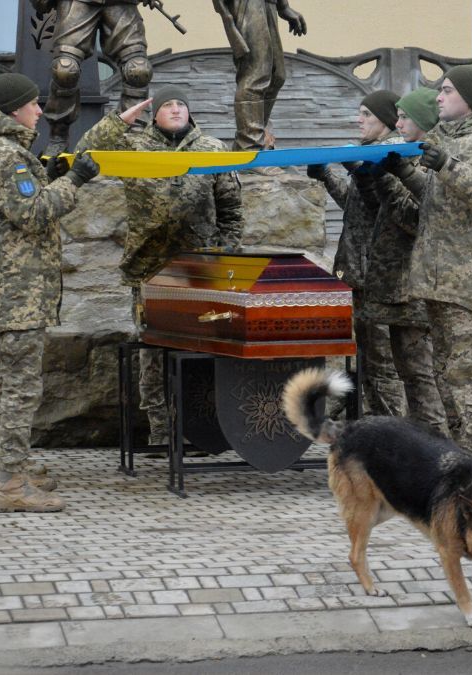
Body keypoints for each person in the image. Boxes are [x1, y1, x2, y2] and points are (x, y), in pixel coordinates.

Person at [0, 73, 99, 512]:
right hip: (16, 292)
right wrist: (74, 180)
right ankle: (11, 483)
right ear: (11, 109)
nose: (39, 111)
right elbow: (34, 212)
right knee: (17, 389)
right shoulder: (6, 155)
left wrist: (48, 175)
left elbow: (19, 203)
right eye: (33, 103)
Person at [77, 85, 243, 448]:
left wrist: (224, 254)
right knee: (152, 348)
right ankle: (161, 433)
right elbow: (84, 151)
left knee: (203, 348)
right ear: (155, 114)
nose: (175, 110)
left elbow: (231, 209)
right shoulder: (134, 146)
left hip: (200, 269)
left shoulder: (212, 149)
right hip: (150, 267)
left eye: (181, 104)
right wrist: (120, 121)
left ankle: (203, 431)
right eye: (168, 105)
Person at [391, 65, 472, 457]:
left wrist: (446, 164)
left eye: (446, 90)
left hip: (464, 279)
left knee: (467, 370)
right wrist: (406, 172)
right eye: (440, 91)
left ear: (468, 99)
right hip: (440, 277)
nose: (439, 97)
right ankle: (460, 453)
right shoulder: (450, 140)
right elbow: (439, 200)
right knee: (445, 370)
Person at [306, 91, 405, 417]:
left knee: (381, 359)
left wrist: (363, 171)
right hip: (358, 270)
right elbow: (354, 204)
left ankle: (390, 427)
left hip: (377, 271)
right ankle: (371, 420)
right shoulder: (368, 153)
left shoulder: (391, 154)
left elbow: (384, 207)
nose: (359, 120)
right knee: (366, 353)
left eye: (366, 114)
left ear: (386, 120)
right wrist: (327, 175)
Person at [363, 87, 447, 435]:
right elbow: (378, 213)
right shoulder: (402, 153)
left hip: (415, 281)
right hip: (394, 280)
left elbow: (416, 218)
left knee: (420, 369)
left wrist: (385, 179)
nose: (397, 123)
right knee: (405, 367)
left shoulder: (427, 160)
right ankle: (420, 436)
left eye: (404, 117)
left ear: (423, 122)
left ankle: (437, 435)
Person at [33, 0, 152, 157]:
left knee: (138, 69)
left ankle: (135, 136)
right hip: (77, 3)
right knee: (65, 69)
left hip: (121, 4)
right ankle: (58, 137)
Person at [214, 0, 307, 151]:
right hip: (246, 4)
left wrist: (283, 6)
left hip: (267, 4)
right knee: (255, 75)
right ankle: (249, 148)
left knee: (276, 75)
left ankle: (252, 144)